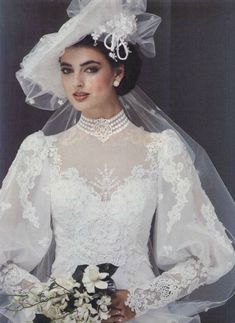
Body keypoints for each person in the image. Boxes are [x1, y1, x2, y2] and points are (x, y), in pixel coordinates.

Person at [1, 1, 235, 322]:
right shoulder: (40, 151)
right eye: (68, 70)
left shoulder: (162, 150)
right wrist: (54, 300)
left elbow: (211, 255)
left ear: (118, 73)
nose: (77, 82)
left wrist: (141, 299)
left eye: (90, 68)